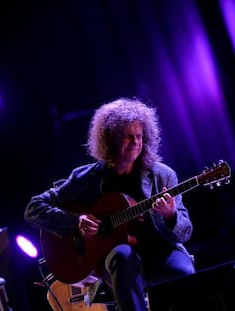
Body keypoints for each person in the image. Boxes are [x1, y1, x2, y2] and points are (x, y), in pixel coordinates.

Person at [24, 97, 195, 311]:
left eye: (139, 136)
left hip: (161, 251)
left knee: (184, 273)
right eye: (128, 137)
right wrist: (75, 221)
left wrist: (171, 216)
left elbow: (185, 232)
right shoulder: (87, 179)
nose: (135, 142)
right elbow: (33, 209)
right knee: (122, 255)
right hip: (118, 260)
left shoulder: (162, 175)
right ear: (110, 139)